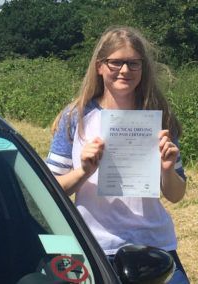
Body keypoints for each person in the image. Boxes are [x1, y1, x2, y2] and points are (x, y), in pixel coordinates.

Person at [46, 26, 189, 283]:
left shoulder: (160, 117)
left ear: (142, 68)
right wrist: (83, 171)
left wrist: (167, 169)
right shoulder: (75, 117)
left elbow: (176, 195)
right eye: (116, 63)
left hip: (154, 245)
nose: (124, 70)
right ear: (100, 66)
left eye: (133, 63)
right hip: (94, 246)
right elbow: (50, 189)